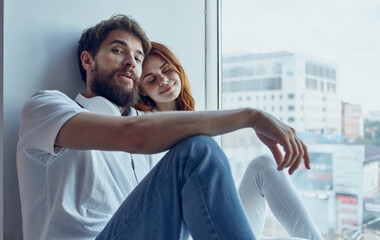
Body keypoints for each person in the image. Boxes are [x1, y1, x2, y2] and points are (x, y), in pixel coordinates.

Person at [17, 14, 312, 240]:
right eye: (118, 51)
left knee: (253, 162)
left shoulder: (145, 130)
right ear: (88, 60)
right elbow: (132, 136)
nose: (131, 62)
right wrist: (251, 116)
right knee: (198, 149)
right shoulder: (48, 108)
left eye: (137, 57)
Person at [135, 42, 323, 240]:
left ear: (177, 69)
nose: (163, 80)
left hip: (218, 223)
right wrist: (253, 118)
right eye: (151, 79)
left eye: (166, 70)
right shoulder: (147, 128)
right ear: (143, 91)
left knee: (264, 164)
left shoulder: (198, 121)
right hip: (192, 231)